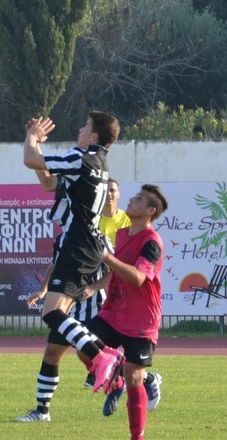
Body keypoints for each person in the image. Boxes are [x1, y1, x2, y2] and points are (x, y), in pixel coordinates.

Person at [20, 113, 125, 400]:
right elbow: (48, 183)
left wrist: (31, 138)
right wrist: (35, 144)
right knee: (55, 340)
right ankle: (42, 410)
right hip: (85, 245)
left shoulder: (80, 157)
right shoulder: (97, 163)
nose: (79, 129)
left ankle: (102, 355)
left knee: (51, 313)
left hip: (77, 245)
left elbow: (30, 160)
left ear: (94, 136)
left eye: (85, 126)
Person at [15, 176, 137, 422]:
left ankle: (142, 380)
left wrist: (93, 286)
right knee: (52, 353)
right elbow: (55, 266)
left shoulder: (96, 237)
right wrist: (43, 290)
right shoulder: (62, 240)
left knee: (89, 355)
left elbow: (115, 269)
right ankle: (42, 411)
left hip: (94, 307)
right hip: (67, 309)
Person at [93, 184, 169, 440]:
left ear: (150, 211)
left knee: (134, 375)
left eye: (139, 199)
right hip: (114, 311)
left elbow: (137, 278)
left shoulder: (151, 242)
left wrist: (107, 257)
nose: (132, 200)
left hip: (141, 319)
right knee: (84, 344)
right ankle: (119, 381)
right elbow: (115, 270)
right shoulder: (122, 233)